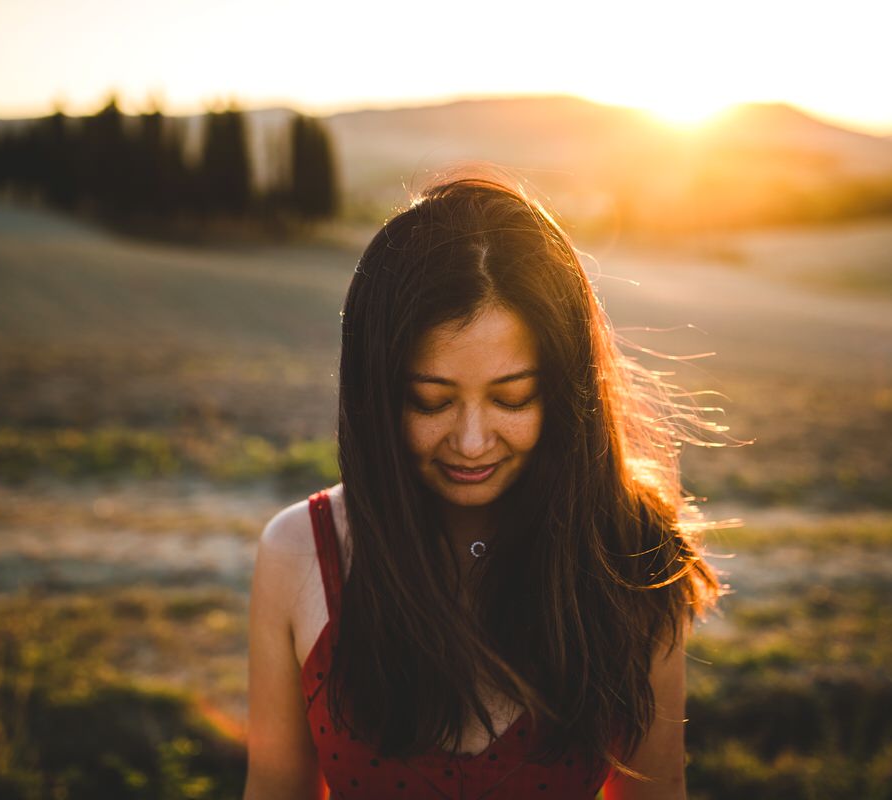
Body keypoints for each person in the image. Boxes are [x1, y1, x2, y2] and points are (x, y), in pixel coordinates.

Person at [244, 173, 722, 799]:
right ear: (375, 395)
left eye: (513, 398)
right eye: (430, 401)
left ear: (567, 392)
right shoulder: (298, 555)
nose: (472, 441)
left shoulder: (634, 556)